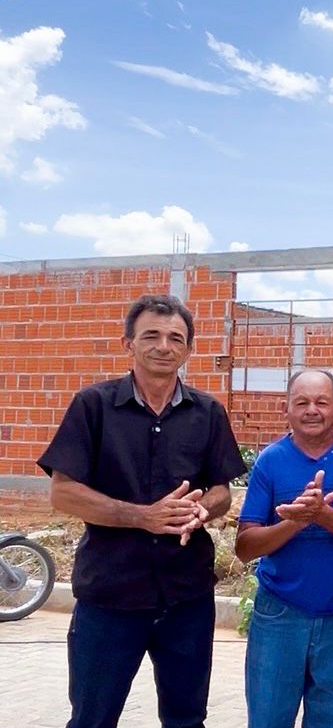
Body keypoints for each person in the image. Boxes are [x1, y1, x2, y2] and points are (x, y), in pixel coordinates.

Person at [37, 293, 247, 728]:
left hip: (186, 597)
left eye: (176, 338)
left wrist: (201, 511)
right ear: (127, 342)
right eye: (150, 335)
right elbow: (64, 492)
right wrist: (142, 516)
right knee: (93, 719)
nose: (164, 346)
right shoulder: (92, 407)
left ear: (189, 349)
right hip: (111, 597)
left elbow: (222, 491)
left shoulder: (207, 413)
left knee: (187, 719)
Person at [235, 369, 333, 728]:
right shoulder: (270, 461)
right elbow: (244, 546)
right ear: (287, 408)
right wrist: (296, 522)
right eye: (301, 402)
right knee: (269, 719)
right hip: (279, 614)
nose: (312, 410)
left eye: (321, 402)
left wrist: (323, 514)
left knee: (331, 721)